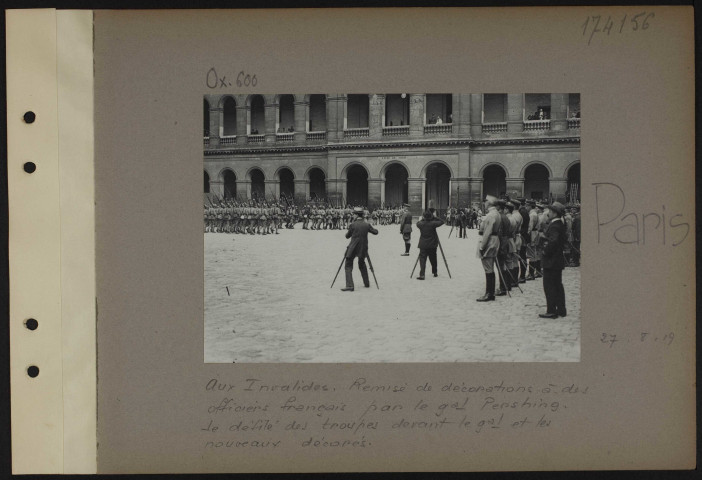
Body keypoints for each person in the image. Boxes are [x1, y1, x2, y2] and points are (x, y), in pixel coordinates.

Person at [341, 207, 379, 292]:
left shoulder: (353, 225)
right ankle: (366, 283)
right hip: (363, 248)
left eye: (353, 214)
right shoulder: (366, 224)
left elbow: (347, 236)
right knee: (362, 264)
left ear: (356, 215)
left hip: (353, 248)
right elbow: (375, 232)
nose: (352, 216)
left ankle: (350, 285)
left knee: (348, 265)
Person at [540, 202, 567, 318]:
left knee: (549, 285)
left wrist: (545, 251)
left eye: (550, 211)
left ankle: (551, 310)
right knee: (557, 285)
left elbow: (553, 241)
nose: (548, 213)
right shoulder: (560, 223)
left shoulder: (555, 225)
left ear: (555, 213)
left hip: (551, 260)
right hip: (557, 260)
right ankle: (561, 309)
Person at [476, 195, 502, 302]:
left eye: (486, 201)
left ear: (490, 203)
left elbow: (487, 232)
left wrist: (482, 246)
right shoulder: (497, 214)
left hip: (489, 241)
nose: (484, 203)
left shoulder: (491, 215)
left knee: (488, 268)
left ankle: (489, 294)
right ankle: (490, 293)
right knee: (490, 268)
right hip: (494, 240)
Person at [415, 209, 444, 280]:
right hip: (432, 244)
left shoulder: (420, 224)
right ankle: (435, 272)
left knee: (422, 259)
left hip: (423, 244)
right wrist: (434, 217)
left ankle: (422, 275)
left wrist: (424, 218)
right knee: (433, 258)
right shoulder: (433, 223)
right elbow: (442, 221)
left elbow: (418, 222)